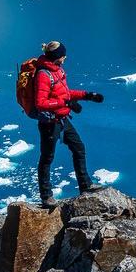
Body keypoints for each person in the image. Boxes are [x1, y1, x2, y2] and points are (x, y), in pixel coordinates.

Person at [33, 40, 105, 207]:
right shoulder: (44, 74)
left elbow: (65, 93)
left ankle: (85, 186)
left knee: (78, 147)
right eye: (63, 56)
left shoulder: (57, 70)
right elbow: (40, 103)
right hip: (49, 122)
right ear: (57, 57)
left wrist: (88, 95)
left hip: (62, 119)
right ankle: (46, 196)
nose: (65, 58)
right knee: (47, 157)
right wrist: (65, 104)